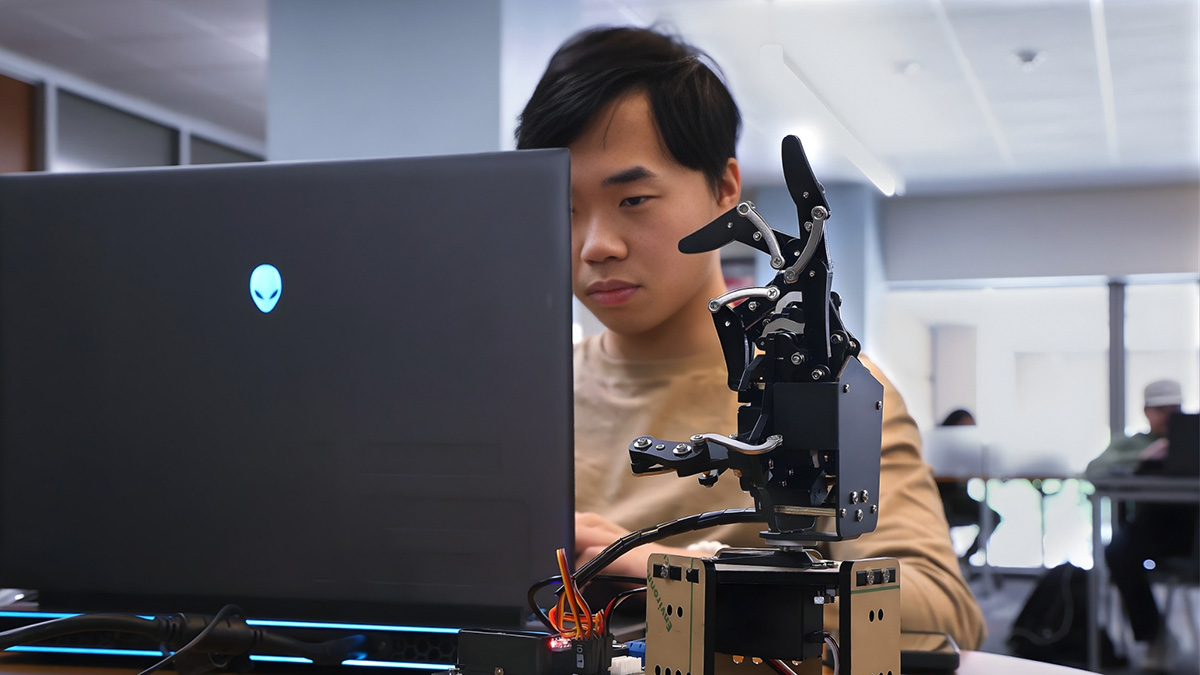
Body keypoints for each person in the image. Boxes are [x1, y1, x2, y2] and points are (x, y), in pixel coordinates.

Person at [515, 26, 985, 649]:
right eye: (563, 209)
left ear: (725, 189)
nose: (596, 245)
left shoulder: (827, 388)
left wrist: (682, 577)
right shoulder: (523, 397)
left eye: (633, 199)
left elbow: (944, 610)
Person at [1086, 379, 1196, 672]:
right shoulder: (1131, 443)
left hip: (1193, 526)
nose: (1168, 416)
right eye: (1160, 410)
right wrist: (1143, 458)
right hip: (1152, 525)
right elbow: (1095, 471)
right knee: (1118, 551)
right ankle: (1154, 636)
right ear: (1146, 411)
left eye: (1174, 410)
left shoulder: (1192, 439)